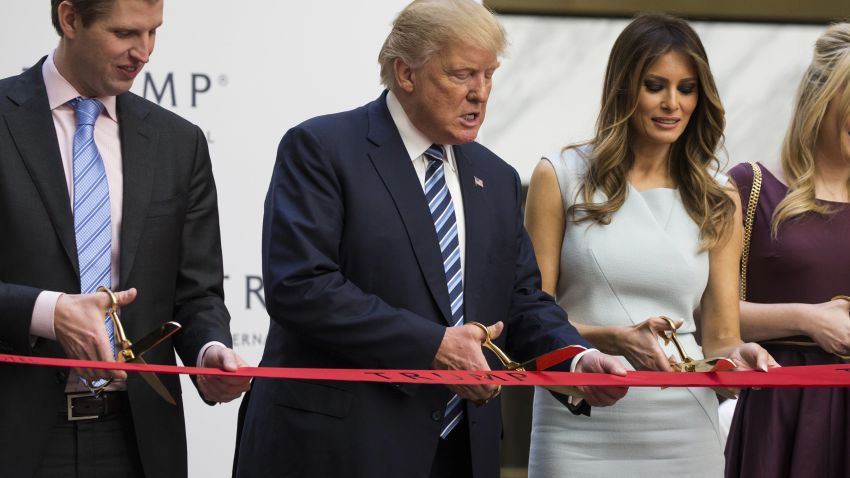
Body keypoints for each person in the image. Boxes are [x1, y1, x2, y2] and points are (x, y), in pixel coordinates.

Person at [234, 1, 628, 476]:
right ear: (406, 74)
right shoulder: (322, 149)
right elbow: (301, 287)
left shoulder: (496, 177)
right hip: (340, 448)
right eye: (462, 74)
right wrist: (432, 346)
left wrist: (577, 359)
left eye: (488, 76)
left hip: (461, 451)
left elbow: (522, 300)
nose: (480, 94)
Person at [0, 1, 251, 476]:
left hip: (138, 443)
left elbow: (195, 293)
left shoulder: (180, 142)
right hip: (14, 435)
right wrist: (48, 314)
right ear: (70, 19)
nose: (144, 52)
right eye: (124, 33)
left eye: (154, 32)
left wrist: (209, 349)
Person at [525, 13, 777, 477]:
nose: (671, 104)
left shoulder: (718, 196)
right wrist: (611, 338)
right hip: (578, 422)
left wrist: (740, 357)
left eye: (686, 89)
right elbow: (530, 315)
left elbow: (720, 337)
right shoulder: (559, 177)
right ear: (625, 88)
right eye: (655, 85)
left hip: (683, 430)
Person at [724, 23, 850, 478]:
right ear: (821, 99)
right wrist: (809, 319)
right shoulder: (751, 186)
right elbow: (710, 316)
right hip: (783, 405)